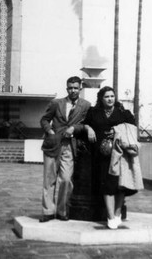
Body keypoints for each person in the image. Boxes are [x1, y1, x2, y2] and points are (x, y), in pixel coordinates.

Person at [84, 86, 143, 229]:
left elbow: (132, 129)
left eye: (112, 96)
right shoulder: (93, 112)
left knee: (120, 186)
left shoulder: (123, 113)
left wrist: (117, 132)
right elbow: (85, 123)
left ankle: (117, 214)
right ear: (101, 98)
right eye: (106, 96)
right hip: (102, 155)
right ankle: (110, 217)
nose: (110, 99)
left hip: (120, 154)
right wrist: (89, 128)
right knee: (107, 185)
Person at [39, 76, 90, 222]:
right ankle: (48, 211)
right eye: (70, 88)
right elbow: (44, 119)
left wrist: (74, 127)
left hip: (70, 146)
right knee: (49, 179)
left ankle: (62, 210)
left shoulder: (86, 105)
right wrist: (50, 131)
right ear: (66, 88)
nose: (73, 90)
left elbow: (86, 124)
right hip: (53, 145)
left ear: (80, 88)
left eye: (75, 87)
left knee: (66, 179)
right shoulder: (56, 103)